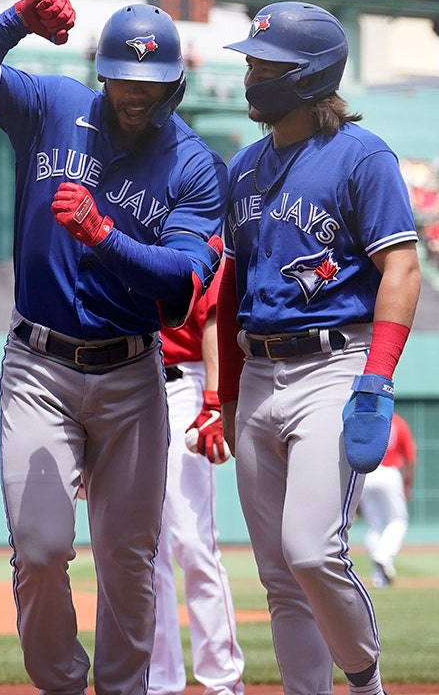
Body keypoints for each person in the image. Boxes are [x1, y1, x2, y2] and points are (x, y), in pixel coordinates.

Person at [0, 0, 226, 695]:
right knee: (40, 550)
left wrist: (105, 236)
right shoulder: (53, 106)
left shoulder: (194, 165)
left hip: (132, 372)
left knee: (130, 560)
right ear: (103, 74)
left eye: (151, 82)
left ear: (175, 83)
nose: (135, 94)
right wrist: (13, 23)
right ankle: (61, 685)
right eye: (124, 78)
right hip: (37, 366)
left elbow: (183, 285)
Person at [216, 2, 421, 695]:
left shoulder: (363, 157)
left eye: (262, 65)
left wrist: (376, 378)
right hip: (257, 371)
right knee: (279, 575)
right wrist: (225, 394)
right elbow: (231, 287)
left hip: (334, 365)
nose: (249, 75)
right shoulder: (243, 168)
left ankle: (364, 683)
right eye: (251, 62)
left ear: (306, 76)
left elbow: (402, 268)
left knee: (311, 551)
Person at [150, 266, 245, 695]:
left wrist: (213, 400)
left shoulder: (196, 230)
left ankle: (222, 681)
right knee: (144, 551)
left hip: (183, 383)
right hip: (129, 379)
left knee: (193, 541)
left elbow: (213, 317)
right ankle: (158, 682)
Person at [360, 412, 416, 588]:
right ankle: (383, 556)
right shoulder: (398, 422)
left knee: (374, 526)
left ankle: (380, 578)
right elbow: (410, 457)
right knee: (398, 521)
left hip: (366, 473)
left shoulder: (366, 420)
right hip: (389, 472)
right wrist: (408, 483)